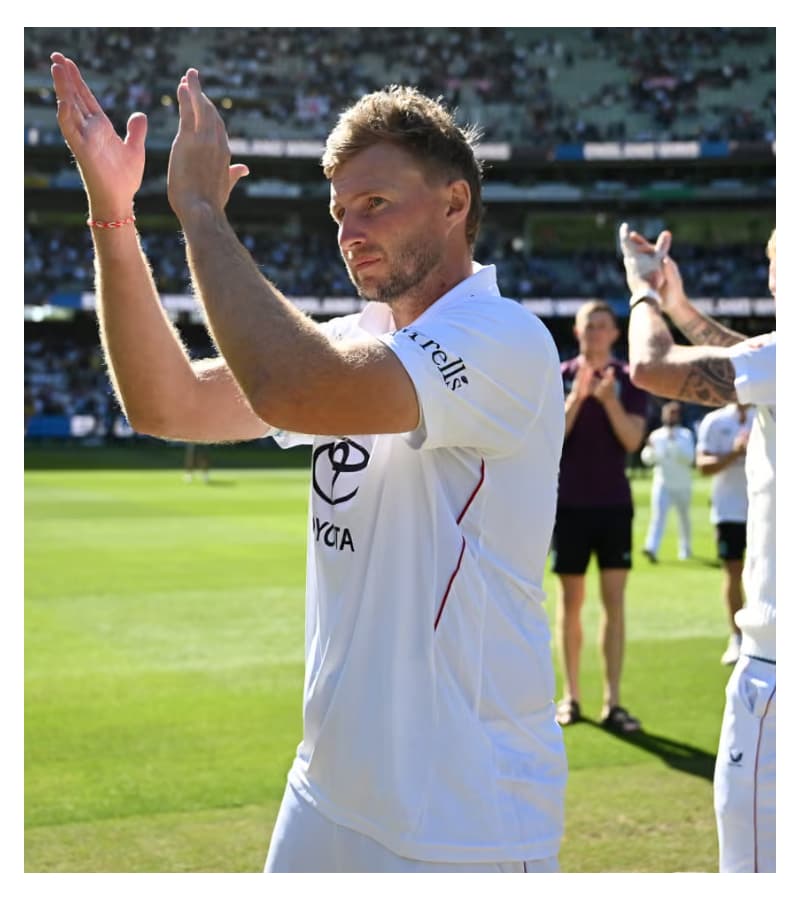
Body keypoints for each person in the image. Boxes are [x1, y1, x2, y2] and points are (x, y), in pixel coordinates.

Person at [50, 54, 566, 871]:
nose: (351, 231)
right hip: (326, 793)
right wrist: (113, 214)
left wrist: (200, 213)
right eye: (339, 212)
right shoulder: (360, 340)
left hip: (463, 817)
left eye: (376, 204)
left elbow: (297, 389)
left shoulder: (506, 340)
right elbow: (168, 404)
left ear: (455, 202)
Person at [620, 223, 775, 873]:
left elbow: (649, 368)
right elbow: (751, 357)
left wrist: (643, 297)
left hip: (778, 674)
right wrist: (681, 305)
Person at [554, 300, 648, 732]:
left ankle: (613, 701)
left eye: (602, 325)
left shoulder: (629, 379)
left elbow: (632, 441)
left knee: (615, 604)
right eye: (587, 325)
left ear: (614, 333)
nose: (594, 332)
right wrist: (577, 397)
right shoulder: (559, 376)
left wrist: (609, 401)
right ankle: (571, 696)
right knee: (570, 603)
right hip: (569, 504)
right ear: (577, 332)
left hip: (613, 505)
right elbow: (552, 440)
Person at [697, 402, 751, 665]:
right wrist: (734, 452)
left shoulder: (768, 415)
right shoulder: (715, 421)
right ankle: (737, 638)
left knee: (767, 573)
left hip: (765, 509)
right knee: (733, 570)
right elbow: (703, 465)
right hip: (728, 510)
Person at [640, 400, 696, 563]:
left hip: (682, 484)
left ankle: (685, 549)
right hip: (662, 483)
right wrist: (650, 449)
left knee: (683, 517)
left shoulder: (685, 434)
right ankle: (651, 547)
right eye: (668, 413)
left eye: (674, 413)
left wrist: (673, 444)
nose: (671, 416)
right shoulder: (656, 435)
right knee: (658, 517)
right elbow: (647, 459)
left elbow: (689, 458)